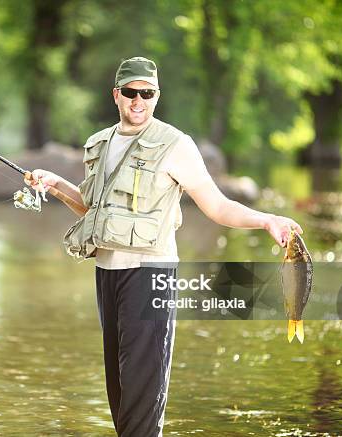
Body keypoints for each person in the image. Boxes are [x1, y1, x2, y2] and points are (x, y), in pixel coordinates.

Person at [26, 56, 303, 436]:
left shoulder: (176, 145)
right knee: (119, 394)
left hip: (150, 276)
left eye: (147, 93)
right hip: (106, 274)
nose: (138, 100)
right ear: (116, 95)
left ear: (157, 96)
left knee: (142, 396)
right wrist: (55, 183)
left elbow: (218, 206)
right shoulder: (100, 143)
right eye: (130, 92)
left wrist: (267, 219)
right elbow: (94, 209)